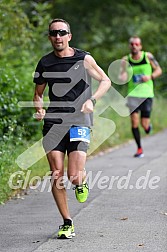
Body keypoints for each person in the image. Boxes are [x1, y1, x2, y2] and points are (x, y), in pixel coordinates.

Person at [33, 18, 111, 238]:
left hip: (79, 121)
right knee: (56, 174)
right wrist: (39, 110)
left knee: (74, 176)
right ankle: (67, 222)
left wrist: (92, 101)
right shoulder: (45, 63)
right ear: (49, 37)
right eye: (54, 33)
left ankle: (81, 182)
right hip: (54, 123)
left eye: (62, 32)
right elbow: (38, 94)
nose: (58, 37)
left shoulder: (83, 58)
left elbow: (106, 81)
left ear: (69, 36)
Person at [120, 36, 162, 158]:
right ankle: (139, 148)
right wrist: (122, 77)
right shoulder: (125, 60)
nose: (134, 46)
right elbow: (122, 75)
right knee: (134, 122)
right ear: (129, 46)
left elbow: (159, 70)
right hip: (133, 94)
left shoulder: (148, 56)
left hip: (147, 94)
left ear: (140, 46)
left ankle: (148, 127)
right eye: (132, 44)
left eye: (137, 44)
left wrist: (150, 77)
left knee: (144, 124)